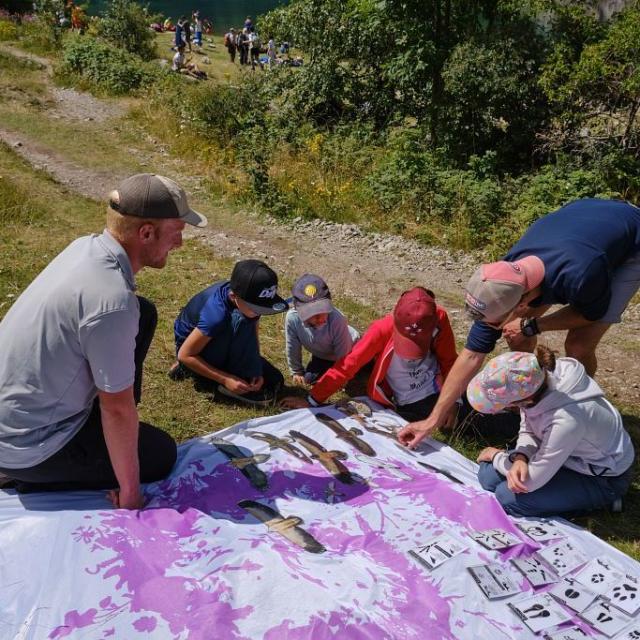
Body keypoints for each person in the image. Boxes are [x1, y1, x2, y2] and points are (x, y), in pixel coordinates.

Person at [0, 174, 207, 509]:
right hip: (27, 448)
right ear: (146, 232)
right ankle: (28, 475)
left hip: (17, 417)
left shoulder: (85, 247)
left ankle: (98, 440)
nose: (180, 243)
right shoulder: (111, 301)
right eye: (177, 231)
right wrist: (130, 493)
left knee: (145, 313)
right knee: (160, 454)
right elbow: (116, 408)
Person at [399, 198, 640, 449]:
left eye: (496, 321)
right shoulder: (502, 280)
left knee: (579, 345)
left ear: (523, 301)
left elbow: (588, 315)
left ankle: (576, 410)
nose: (494, 326)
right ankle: (528, 395)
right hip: (582, 222)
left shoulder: (580, 275)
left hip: (630, 241)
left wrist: (533, 326)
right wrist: (432, 419)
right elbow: (471, 355)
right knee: (515, 334)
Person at [470, 348, 634, 518]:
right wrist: (521, 456)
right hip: (565, 455)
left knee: (507, 498)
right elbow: (528, 427)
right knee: (486, 476)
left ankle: (604, 500)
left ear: (526, 400)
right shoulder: (539, 378)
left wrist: (497, 456)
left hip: (601, 477)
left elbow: (531, 481)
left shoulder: (567, 420)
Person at [281, 287, 458, 423]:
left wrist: (453, 400)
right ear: (396, 319)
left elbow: (449, 360)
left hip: (439, 386)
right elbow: (348, 365)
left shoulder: (439, 317)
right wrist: (313, 400)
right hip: (409, 398)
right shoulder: (381, 330)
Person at [169, 260, 288, 407]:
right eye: (256, 308)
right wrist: (225, 379)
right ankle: (196, 374)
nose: (259, 313)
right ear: (233, 297)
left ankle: (216, 372)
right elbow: (185, 354)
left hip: (223, 336)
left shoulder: (245, 297)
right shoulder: (216, 316)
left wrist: (255, 365)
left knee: (275, 381)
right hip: (194, 349)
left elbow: (253, 329)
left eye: (263, 308)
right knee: (241, 321)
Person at [285, 274, 360, 386]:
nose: (319, 317)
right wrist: (296, 371)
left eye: (322, 310)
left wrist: (341, 377)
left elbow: (344, 356)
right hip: (323, 354)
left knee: (360, 371)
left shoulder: (337, 320)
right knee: (309, 379)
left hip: (350, 350)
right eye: (312, 313)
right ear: (298, 309)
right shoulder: (292, 319)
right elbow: (292, 347)